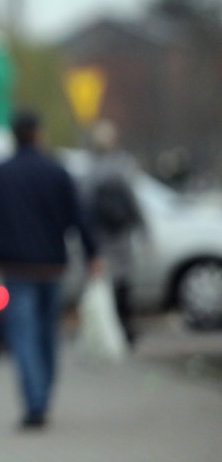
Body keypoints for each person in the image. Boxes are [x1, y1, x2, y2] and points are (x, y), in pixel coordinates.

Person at [0, 109, 100, 430]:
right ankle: (44, 395)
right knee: (48, 336)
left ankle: (35, 404)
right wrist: (93, 253)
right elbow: (80, 216)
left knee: (24, 335)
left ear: (14, 136)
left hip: (17, 269)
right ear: (39, 134)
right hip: (53, 268)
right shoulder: (57, 172)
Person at [84, 119, 147, 346]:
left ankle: (113, 331)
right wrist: (142, 228)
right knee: (124, 283)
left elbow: (86, 203)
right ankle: (126, 328)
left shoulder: (91, 167)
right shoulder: (123, 164)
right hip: (121, 233)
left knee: (106, 283)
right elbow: (133, 200)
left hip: (102, 235)